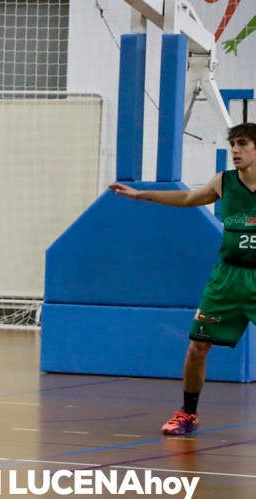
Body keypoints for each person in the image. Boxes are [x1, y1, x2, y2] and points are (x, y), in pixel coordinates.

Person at [110, 122, 256, 436]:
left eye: (242, 144)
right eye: (233, 144)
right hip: (227, 278)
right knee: (197, 346)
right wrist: (142, 195)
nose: (235, 150)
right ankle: (188, 413)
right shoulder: (224, 182)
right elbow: (189, 198)